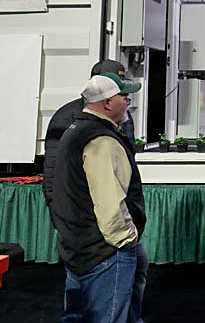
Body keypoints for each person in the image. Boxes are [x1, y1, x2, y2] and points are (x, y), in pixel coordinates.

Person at [51, 73, 148, 323]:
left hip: (77, 245)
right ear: (106, 103)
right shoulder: (101, 140)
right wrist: (126, 243)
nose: (128, 100)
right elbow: (110, 204)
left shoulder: (76, 130)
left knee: (76, 320)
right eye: (123, 96)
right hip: (104, 251)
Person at [44, 59, 136, 210]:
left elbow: (129, 158)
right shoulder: (67, 117)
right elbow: (53, 168)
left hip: (114, 205)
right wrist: (57, 210)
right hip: (80, 211)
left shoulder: (123, 115)